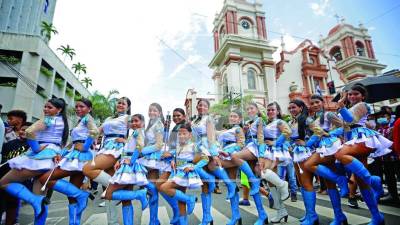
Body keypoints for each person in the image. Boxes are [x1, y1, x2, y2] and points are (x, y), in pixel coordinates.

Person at [0, 98, 69, 225]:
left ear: (59, 109)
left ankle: (33, 200)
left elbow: (29, 132)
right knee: (41, 197)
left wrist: (36, 149)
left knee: (3, 182)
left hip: (39, 157)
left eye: (50, 107)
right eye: (45, 107)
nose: (46, 109)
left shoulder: (48, 119)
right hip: (50, 157)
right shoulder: (62, 121)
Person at [335, 84, 392, 225]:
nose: (352, 96)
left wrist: (341, 105)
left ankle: (372, 181)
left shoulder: (363, 105)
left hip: (363, 137)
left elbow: (351, 120)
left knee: (339, 154)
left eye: (356, 94)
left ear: (363, 96)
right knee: (361, 182)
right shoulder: (349, 108)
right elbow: (346, 128)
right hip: (353, 139)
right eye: (350, 94)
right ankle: (377, 217)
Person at [37, 98, 98, 225]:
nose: (78, 108)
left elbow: (95, 132)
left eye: (82, 106)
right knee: (72, 196)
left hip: (80, 156)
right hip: (75, 155)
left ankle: (82, 195)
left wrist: (85, 146)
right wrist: (64, 151)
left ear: (89, 109)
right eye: (76, 106)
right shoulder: (81, 121)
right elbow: (75, 141)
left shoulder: (87, 118)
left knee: (45, 179)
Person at [83, 97, 131, 225]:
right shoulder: (109, 119)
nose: (120, 105)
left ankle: (122, 188)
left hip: (116, 148)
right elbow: (96, 132)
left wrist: (127, 142)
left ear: (127, 107)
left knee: (87, 169)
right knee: (109, 193)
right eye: (119, 102)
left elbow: (138, 131)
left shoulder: (127, 118)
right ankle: (113, 222)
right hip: (104, 148)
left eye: (123, 103)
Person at [301, 94, 348, 225]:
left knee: (309, 164)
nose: (315, 105)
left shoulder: (328, 115)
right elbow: (315, 135)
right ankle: (339, 216)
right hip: (321, 147)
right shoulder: (312, 119)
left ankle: (340, 179)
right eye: (312, 103)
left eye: (317, 102)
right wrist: (307, 144)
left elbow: (344, 126)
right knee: (329, 183)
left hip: (331, 145)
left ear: (322, 102)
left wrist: (330, 133)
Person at [214, 110, 260, 225]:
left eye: (235, 116)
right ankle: (236, 216)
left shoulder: (238, 129)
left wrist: (228, 152)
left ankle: (261, 213)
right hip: (224, 154)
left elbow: (241, 144)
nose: (232, 118)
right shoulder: (226, 130)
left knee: (216, 166)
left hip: (232, 155)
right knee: (231, 184)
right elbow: (214, 134)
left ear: (239, 119)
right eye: (230, 116)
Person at [105, 114, 149, 225]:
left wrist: (131, 161)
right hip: (125, 165)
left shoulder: (139, 132)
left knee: (109, 193)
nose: (134, 123)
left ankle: (140, 194)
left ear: (143, 123)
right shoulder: (132, 133)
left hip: (130, 166)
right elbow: (127, 149)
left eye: (136, 121)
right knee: (126, 200)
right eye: (132, 121)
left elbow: (140, 146)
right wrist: (119, 160)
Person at [230, 102, 268, 225]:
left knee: (234, 156)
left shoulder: (260, 120)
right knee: (252, 184)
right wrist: (246, 130)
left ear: (257, 110)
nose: (249, 111)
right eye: (247, 109)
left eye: (251, 108)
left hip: (255, 148)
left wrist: (261, 156)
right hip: (248, 147)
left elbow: (261, 137)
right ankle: (262, 215)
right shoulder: (248, 123)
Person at [160, 123, 204, 225]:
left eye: (184, 133)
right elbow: (173, 156)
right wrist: (170, 158)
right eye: (179, 134)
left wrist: (193, 167)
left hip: (185, 174)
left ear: (190, 135)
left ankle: (190, 199)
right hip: (178, 173)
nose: (181, 136)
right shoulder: (178, 146)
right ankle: (183, 223)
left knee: (164, 187)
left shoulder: (194, 146)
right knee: (180, 201)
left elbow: (204, 159)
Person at [136, 103, 171, 225]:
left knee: (152, 188)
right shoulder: (151, 125)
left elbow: (159, 144)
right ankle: (154, 220)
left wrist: (141, 152)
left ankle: (155, 219)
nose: (151, 113)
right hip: (148, 157)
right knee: (153, 189)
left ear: (160, 113)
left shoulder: (159, 125)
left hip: (153, 158)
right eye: (150, 110)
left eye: (155, 111)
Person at [258, 102, 291, 223]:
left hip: (276, 150)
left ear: (278, 111)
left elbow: (287, 132)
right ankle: (281, 211)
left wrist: (275, 143)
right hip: (268, 151)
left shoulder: (280, 122)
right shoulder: (268, 123)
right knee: (271, 183)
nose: (270, 112)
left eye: (272, 110)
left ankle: (283, 185)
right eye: (268, 110)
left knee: (264, 173)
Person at [376, 109, 399, 204]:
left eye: (385, 116)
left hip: (395, 157)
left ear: (390, 117)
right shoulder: (378, 130)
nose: (382, 118)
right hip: (385, 158)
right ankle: (393, 195)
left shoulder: (393, 128)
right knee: (389, 177)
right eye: (380, 117)